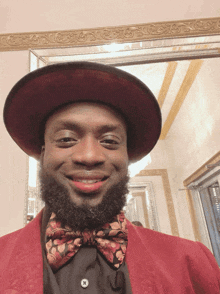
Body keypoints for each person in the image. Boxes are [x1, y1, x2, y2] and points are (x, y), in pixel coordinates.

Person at [0, 62, 220, 294]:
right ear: (43, 155)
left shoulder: (192, 262)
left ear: (127, 157)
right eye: (66, 139)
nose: (89, 156)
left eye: (110, 141)